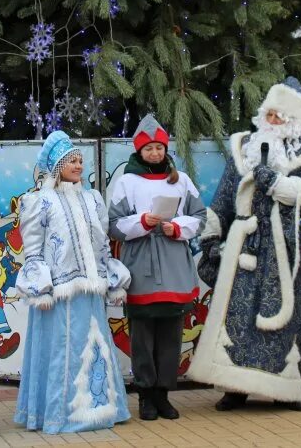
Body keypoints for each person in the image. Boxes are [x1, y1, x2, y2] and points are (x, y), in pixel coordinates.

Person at [188, 77, 301, 412]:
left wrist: (280, 184)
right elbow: (224, 197)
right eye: (269, 114)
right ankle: (234, 387)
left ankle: (286, 389)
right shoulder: (244, 149)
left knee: (285, 316)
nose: (273, 122)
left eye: (281, 116)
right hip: (244, 246)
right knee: (238, 317)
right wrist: (211, 238)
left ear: (294, 120)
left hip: (284, 247)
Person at [14, 130, 131, 434]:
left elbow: (103, 244)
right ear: (57, 167)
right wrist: (41, 284)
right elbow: (33, 249)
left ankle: (100, 409)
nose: (79, 166)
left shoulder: (92, 199)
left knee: (93, 344)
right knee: (62, 348)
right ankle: (58, 415)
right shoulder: (39, 201)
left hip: (91, 289)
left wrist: (110, 277)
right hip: (59, 292)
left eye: (80, 160)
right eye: (72, 161)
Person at [108, 115, 205, 421]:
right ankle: (145, 394)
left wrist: (176, 227)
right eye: (148, 149)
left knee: (170, 333)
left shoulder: (181, 180)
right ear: (139, 151)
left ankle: (164, 393)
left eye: (158, 148)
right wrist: (142, 222)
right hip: (141, 265)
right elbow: (113, 225)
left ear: (165, 149)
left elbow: (200, 216)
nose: (154, 154)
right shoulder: (126, 181)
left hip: (174, 264)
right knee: (142, 334)